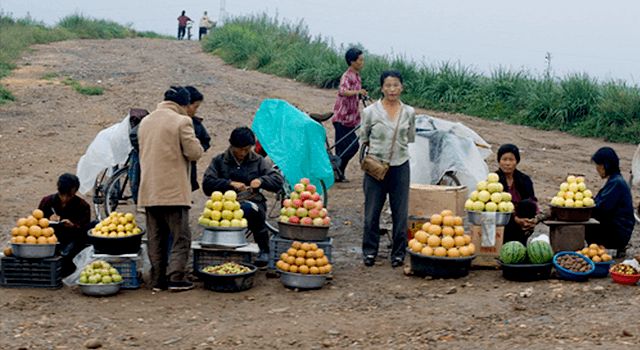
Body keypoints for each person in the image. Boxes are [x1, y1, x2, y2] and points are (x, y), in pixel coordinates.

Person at [138, 86, 204, 292]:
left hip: (149, 190)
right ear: (183, 104)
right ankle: (175, 277)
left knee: (155, 238)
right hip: (173, 191)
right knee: (180, 237)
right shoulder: (181, 121)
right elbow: (194, 153)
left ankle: (157, 280)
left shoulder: (145, 121)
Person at [202, 127, 284, 266]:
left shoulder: (257, 160)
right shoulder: (219, 161)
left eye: (247, 149)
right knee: (215, 216)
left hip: (252, 201)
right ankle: (221, 250)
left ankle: (263, 249)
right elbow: (207, 184)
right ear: (232, 145)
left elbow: (276, 180)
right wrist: (229, 183)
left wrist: (261, 181)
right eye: (240, 149)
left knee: (252, 211)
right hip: (224, 204)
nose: (243, 153)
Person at [360, 70, 415, 268]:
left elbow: (409, 138)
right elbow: (364, 137)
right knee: (371, 212)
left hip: (400, 166)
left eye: (396, 85)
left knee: (400, 213)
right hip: (375, 167)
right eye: (388, 85)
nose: (392, 89)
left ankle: (398, 253)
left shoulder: (409, 112)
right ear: (382, 88)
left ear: (402, 87)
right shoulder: (370, 112)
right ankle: (369, 251)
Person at [38, 173, 92, 277]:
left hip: (72, 240)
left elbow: (85, 227)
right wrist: (47, 220)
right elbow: (36, 223)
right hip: (51, 239)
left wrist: (73, 225)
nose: (65, 199)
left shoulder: (82, 206)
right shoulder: (47, 202)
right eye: (62, 195)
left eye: (69, 196)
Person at [586, 147, 635, 255]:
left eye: (597, 166)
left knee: (583, 226)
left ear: (603, 166)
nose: (597, 169)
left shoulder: (616, 183)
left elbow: (601, 209)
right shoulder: (615, 181)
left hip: (618, 233)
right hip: (618, 229)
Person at [331, 47, 367, 182]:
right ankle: (336, 171)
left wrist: (360, 94)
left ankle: (339, 173)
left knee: (345, 148)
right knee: (350, 147)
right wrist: (357, 92)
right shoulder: (347, 76)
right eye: (360, 60)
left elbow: (353, 94)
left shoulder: (357, 76)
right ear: (352, 61)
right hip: (342, 117)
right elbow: (342, 91)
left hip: (351, 118)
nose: (362, 62)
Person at [495, 144, 539, 245]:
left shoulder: (524, 179)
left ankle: (522, 239)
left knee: (527, 204)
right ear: (499, 161)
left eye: (511, 160)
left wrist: (533, 220)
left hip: (522, 219)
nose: (507, 163)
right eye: (504, 159)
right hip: (504, 221)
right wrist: (515, 219)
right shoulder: (494, 180)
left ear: (517, 161)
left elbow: (532, 201)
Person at [184, 86, 211, 192]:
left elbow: (206, 141)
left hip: (189, 166)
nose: (195, 111)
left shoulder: (195, 124)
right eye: (195, 107)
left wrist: (196, 150)